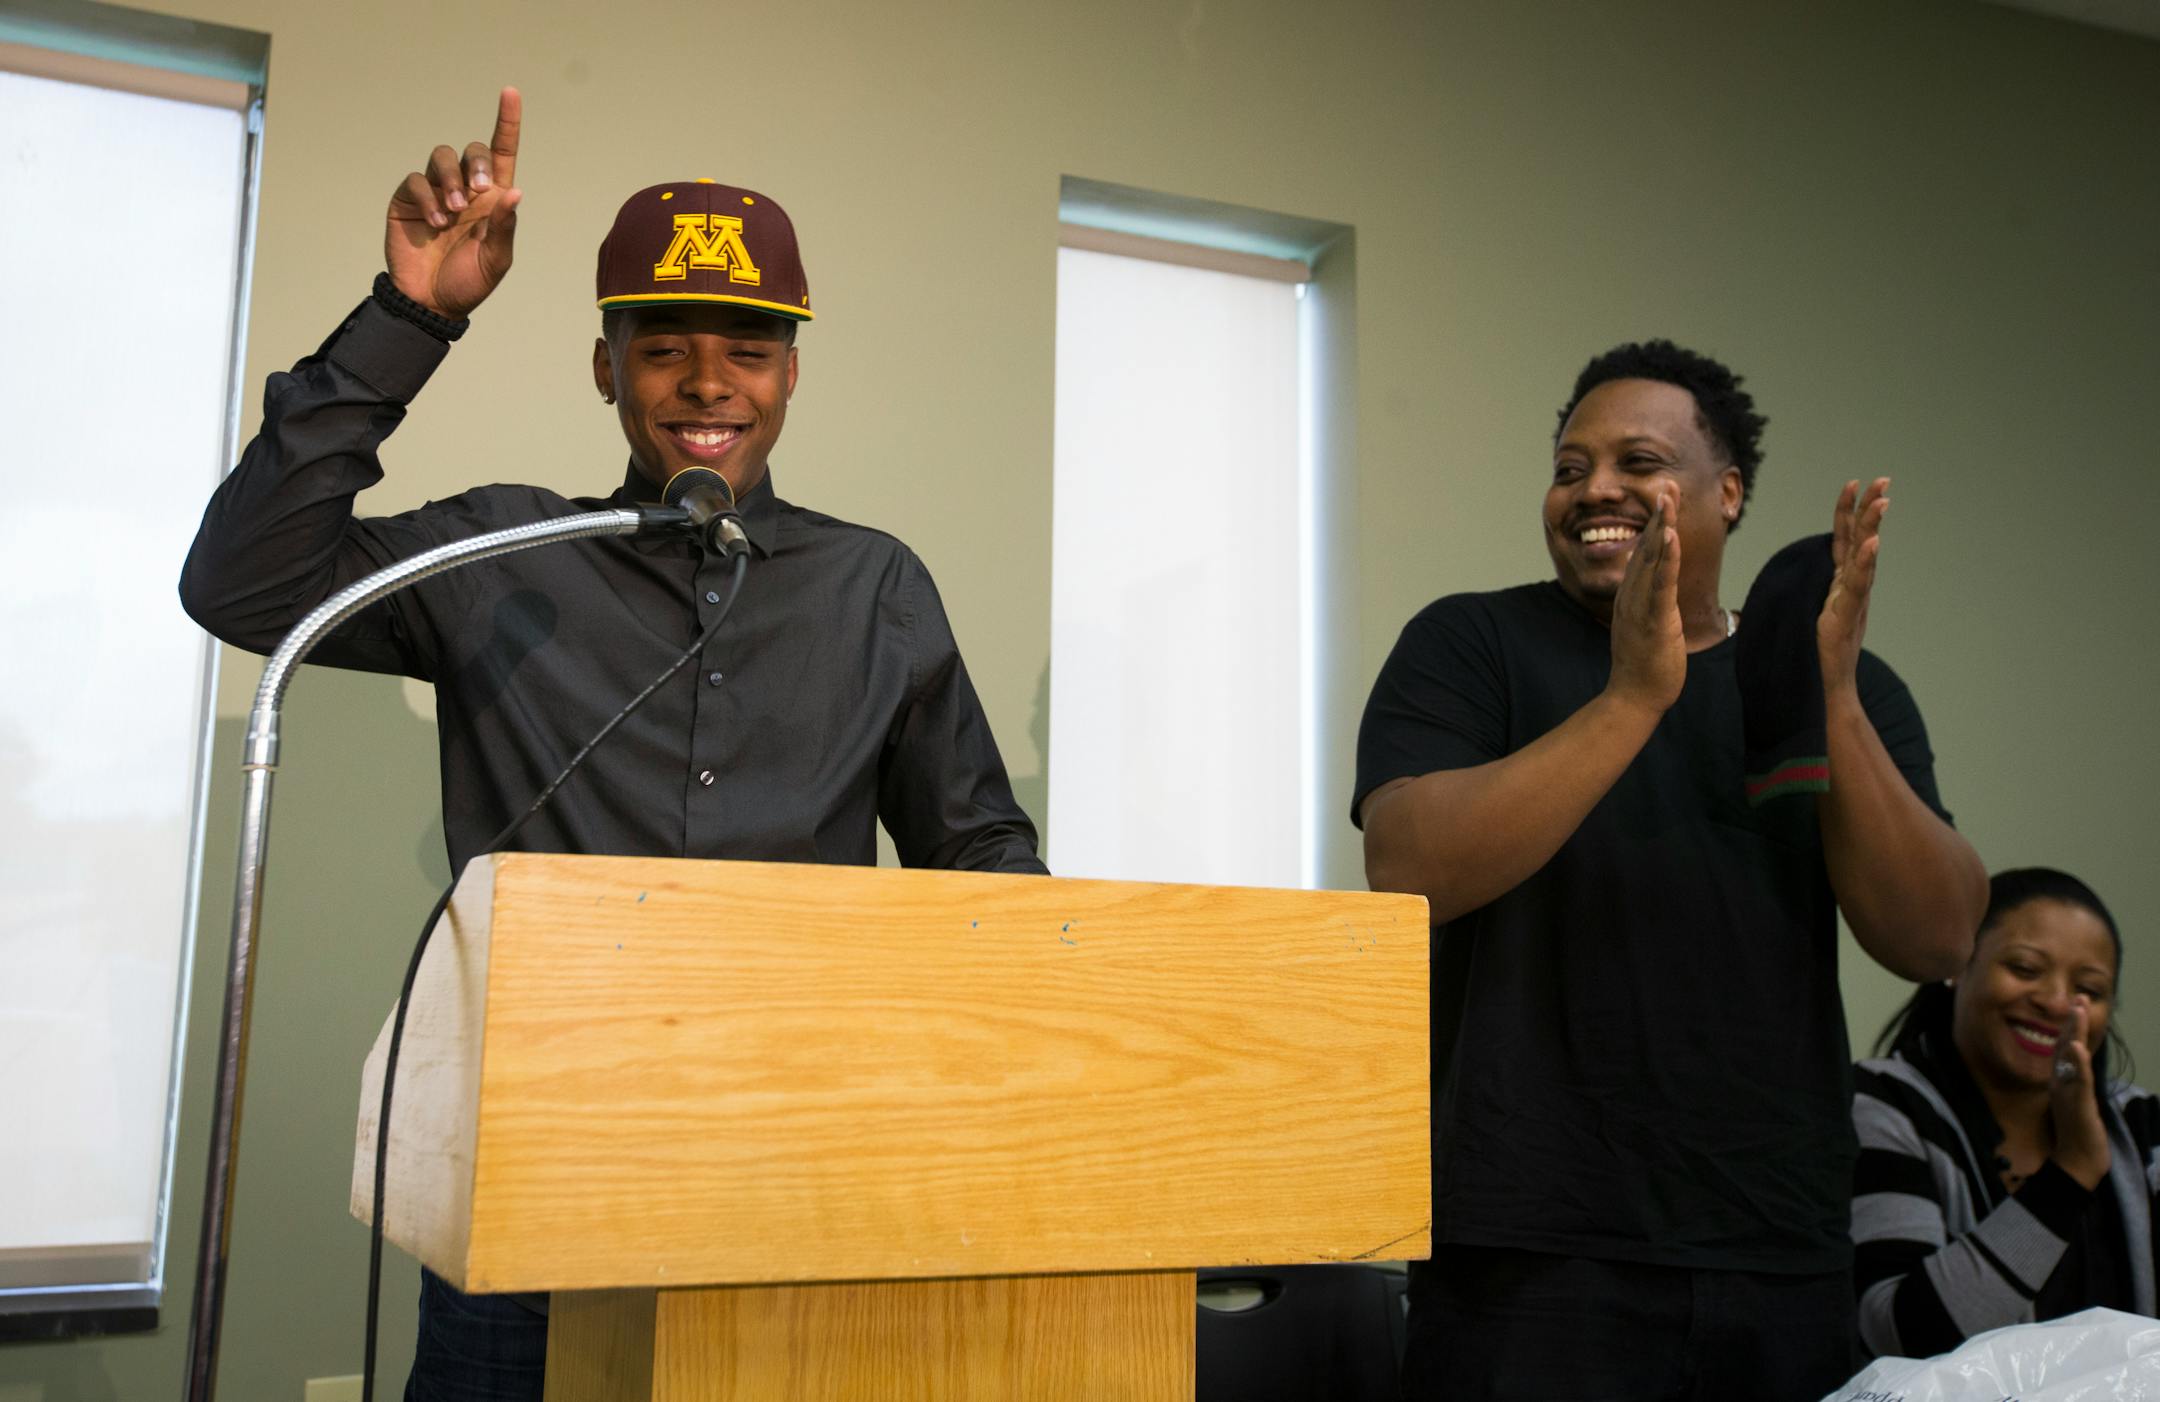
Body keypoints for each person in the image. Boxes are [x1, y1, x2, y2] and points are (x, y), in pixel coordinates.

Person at [178, 89, 1045, 1401]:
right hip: (531, 1194)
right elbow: (243, 587)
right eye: (664, 348)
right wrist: (413, 318)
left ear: (793, 370)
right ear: (605, 366)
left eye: (749, 350)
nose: (709, 384)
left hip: (791, 1190)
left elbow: (980, 856)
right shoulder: (502, 561)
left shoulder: (878, 589)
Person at [1353, 339, 1988, 1400]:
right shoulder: (1474, 643)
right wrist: (1634, 697)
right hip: (1528, 1246)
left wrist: (1827, 694)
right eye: (1569, 467)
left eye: (1637, 462)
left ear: (1725, 492)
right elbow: (1410, 865)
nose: (1595, 488)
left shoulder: (1846, 683)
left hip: (1775, 1247)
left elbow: (1937, 936)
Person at [1852, 868, 2159, 1360]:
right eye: (2025, 969)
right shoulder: (1884, 1105)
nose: (2056, 1002)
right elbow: (1899, 1335)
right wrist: (2072, 1171)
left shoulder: (2140, 1122)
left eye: (2090, 990)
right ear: (1958, 966)